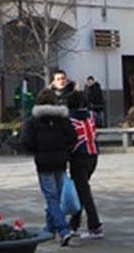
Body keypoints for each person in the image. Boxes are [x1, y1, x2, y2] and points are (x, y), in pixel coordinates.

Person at [22, 89, 79, 246]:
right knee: (56, 197)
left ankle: (63, 229)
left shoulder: (33, 120)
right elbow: (73, 137)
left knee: (51, 197)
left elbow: (26, 140)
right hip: (61, 161)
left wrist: (36, 149)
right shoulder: (62, 118)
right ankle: (49, 229)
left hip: (43, 162)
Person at [64, 91, 104, 239]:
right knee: (81, 190)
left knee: (84, 193)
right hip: (93, 155)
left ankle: (95, 226)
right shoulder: (92, 115)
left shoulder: (69, 118)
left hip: (78, 157)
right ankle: (73, 225)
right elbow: (99, 122)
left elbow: (68, 138)